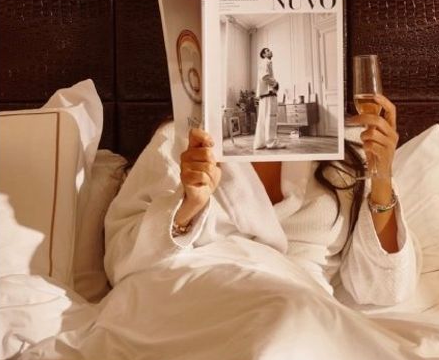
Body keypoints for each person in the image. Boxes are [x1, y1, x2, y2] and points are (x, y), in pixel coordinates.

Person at [105, 92, 419, 307]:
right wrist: (189, 205)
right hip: (206, 302)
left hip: (304, 313)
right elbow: (121, 261)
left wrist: (382, 176)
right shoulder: (183, 142)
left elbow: (384, 288)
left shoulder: (347, 146)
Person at [252, 47, 282, 150]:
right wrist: (275, 84)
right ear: (264, 54)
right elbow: (265, 77)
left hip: (265, 95)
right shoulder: (266, 62)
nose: (270, 51)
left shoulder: (265, 63)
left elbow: (264, 76)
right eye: (267, 50)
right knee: (271, 117)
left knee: (263, 119)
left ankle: (261, 143)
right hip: (268, 94)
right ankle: (271, 143)